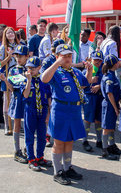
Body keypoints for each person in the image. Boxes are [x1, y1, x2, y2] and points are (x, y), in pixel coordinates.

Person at [41, 44, 92, 185]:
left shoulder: (75, 72)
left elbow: (85, 83)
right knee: (59, 142)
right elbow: (44, 79)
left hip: (74, 111)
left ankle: (67, 167)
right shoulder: (56, 72)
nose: (68, 58)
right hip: (61, 111)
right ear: (57, 57)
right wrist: (57, 63)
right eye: (64, 56)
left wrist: (90, 70)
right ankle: (58, 172)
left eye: (69, 56)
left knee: (69, 140)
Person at [22, 56, 52, 171]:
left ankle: (40, 157)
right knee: (29, 135)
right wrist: (29, 80)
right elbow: (25, 95)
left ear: (39, 68)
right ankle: (31, 158)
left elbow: (49, 97)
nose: (30, 71)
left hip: (42, 110)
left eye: (33, 68)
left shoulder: (44, 80)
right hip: (30, 110)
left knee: (42, 136)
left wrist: (49, 114)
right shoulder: (25, 80)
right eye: (28, 68)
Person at [0, 45, 29, 163]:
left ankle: (28, 149)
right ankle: (17, 151)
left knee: (28, 125)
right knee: (17, 124)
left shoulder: (30, 69)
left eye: (21, 56)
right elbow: (12, 88)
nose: (18, 58)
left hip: (29, 100)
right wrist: (6, 80)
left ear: (27, 56)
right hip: (17, 99)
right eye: (17, 56)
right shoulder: (13, 70)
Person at [0, 27, 22, 135]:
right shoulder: (3, 48)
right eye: (8, 33)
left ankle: (17, 124)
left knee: (18, 98)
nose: (10, 34)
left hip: (18, 74)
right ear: (5, 35)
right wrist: (9, 56)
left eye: (12, 32)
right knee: (6, 99)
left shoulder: (20, 46)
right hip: (7, 74)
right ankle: (7, 125)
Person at [82, 50, 104, 152]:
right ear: (91, 59)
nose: (97, 63)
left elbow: (107, 82)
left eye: (100, 61)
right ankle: (85, 140)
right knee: (88, 120)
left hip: (99, 97)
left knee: (98, 120)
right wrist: (90, 79)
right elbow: (82, 84)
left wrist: (99, 86)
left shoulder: (103, 71)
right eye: (95, 60)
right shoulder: (86, 70)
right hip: (89, 97)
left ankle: (99, 140)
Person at [101, 54, 121, 160]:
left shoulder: (113, 74)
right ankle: (105, 150)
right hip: (109, 105)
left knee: (111, 127)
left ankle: (111, 145)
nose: (119, 63)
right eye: (118, 61)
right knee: (106, 128)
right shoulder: (109, 77)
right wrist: (115, 108)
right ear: (114, 64)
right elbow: (110, 94)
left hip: (113, 104)